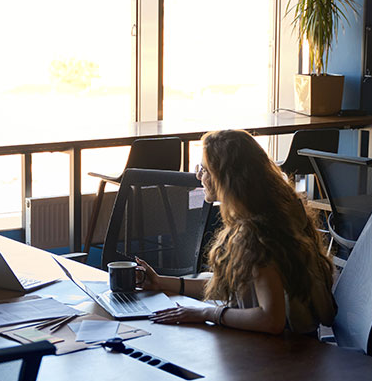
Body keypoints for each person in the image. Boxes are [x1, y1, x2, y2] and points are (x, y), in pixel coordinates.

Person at [137, 129, 336, 335]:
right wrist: (160, 282)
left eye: (204, 170)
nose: (198, 175)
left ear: (224, 178)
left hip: (278, 354)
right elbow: (228, 285)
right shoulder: (279, 211)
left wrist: (207, 313)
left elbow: (271, 320)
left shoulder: (255, 235)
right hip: (297, 343)